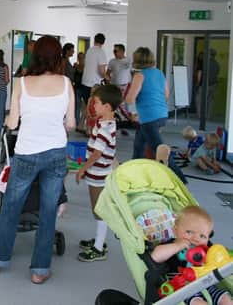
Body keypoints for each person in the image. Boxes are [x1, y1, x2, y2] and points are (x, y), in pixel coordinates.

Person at [0, 36, 75, 284]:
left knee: (11, 208)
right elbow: (70, 124)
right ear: (59, 56)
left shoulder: (23, 84)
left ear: (35, 55)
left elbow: (13, 122)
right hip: (56, 153)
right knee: (48, 212)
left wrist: (13, 122)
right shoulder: (66, 83)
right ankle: (40, 270)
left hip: (26, 153)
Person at [75, 85, 123, 262]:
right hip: (99, 173)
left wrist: (82, 169)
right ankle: (99, 240)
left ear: (107, 107)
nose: (93, 106)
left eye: (96, 103)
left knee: (99, 211)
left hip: (98, 176)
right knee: (98, 209)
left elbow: (97, 154)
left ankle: (99, 247)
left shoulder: (105, 129)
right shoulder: (106, 123)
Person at [126, 47, 187, 183]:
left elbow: (130, 98)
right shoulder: (159, 73)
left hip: (149, 118)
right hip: (161, 115)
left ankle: (180, 180)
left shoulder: (139, 76)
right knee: (139, 146)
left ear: (137, 60)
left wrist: (135, 109)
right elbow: (166, 94)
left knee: (160, 151)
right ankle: (135, 174)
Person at [149, 206, 232, 305]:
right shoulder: (170, 245)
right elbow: (155, 256)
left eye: (202, 236)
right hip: (182, 288)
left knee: (226, 299)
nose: (196, 239)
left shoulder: (207, 248)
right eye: (189, 232)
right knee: (198, 303)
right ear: (175, 230)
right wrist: (177, 246)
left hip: (207, 283)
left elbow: (218, 260)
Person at [81, 33, 108, 104]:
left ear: (94, 40)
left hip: (85, 83)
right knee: (93, 108)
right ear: (103, 42)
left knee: (86, 106)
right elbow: (101, 72)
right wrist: (108, 78)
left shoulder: (89, 50)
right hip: (93, 85)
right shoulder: (101, 52)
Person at [195, 49, 220, 120]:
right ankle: (208, 116)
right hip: (214, 84)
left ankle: (200, 115)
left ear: (209, 54)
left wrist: (198, 83)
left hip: (204, 85)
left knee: (199, 99)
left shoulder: (204, 62)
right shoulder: (217, 64)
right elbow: (217, 74)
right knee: (210, 101)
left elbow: (200, 73)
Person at [73, 52, 85, 125]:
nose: (81, 59)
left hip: (84, 87)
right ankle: (77, 122)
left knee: (84, 107)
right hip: (77, 87)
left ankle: (81, 122)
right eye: (79, 57)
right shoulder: (75, 66)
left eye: (82, 57)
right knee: (77, 106)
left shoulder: (87, 67)